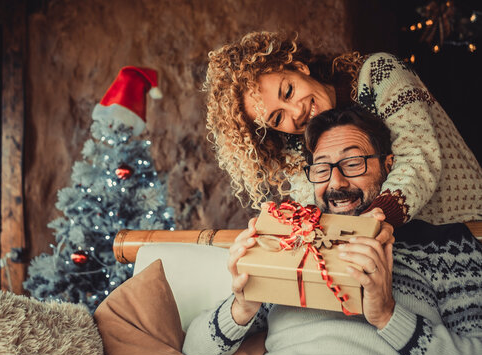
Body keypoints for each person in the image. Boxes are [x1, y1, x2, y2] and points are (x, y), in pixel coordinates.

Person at [182, 106, 482, 355]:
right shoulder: (288, 242)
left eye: (353, 163)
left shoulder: (445, 245)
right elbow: (193, 350)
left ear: (388, 167)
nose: (336, 182)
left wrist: (387, 315)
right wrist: (242, 305)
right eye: (322, 169)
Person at [204, 31, 482, 228]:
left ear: (299, 67)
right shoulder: (298, 146)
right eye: (277, 118)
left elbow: (417, 155)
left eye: (288, 91)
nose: (296, 112)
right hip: (404, 253)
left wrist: (372, 224)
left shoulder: (378, 74)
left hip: (464, 225)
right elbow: (314, 203)